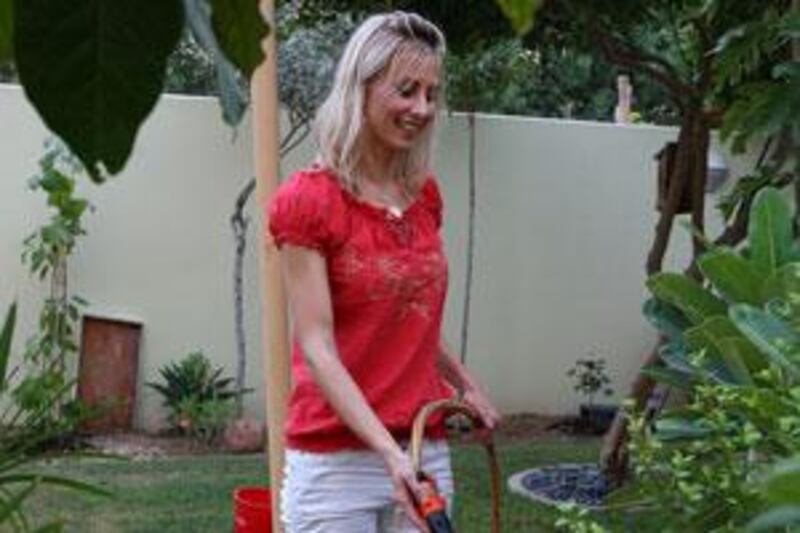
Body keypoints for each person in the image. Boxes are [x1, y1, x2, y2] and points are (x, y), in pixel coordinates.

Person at [268, 11, 500, 532]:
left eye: (431, 93)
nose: (422, 108)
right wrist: (388, 455)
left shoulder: (423, 198)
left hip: (422, 448)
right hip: (335, 462)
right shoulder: (309, 202)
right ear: (362, 88)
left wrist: (466, 386)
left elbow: (410, 322)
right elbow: (317, 345)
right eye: (406, 90)